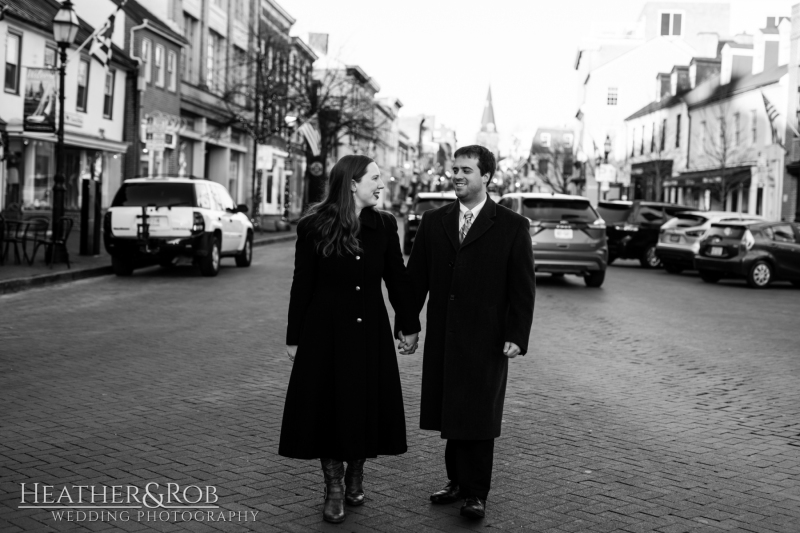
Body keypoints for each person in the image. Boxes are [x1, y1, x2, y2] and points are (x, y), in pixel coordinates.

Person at [279, 154, 420, 524]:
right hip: (324, 332)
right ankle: (335, 486)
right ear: (352, 183)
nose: (382, 185)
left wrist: (408, 324)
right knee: (327, 406)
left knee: (363, 403)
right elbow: (302, 283)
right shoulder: (313, 226)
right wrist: (295, 336)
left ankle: (356, 473)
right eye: (375, 178)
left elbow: (397, 278)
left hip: (369, 329)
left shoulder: (385, 224)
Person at [400, 145, 535, 519]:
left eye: (466, 171)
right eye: (454, 170)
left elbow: (522, 288)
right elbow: (416, 281)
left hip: (486, 339)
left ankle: (477, 492)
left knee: (478, 415)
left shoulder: (511, 225)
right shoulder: (434, 221)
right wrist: (409, 325)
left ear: (487, 176)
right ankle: (456, 483)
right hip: (445, 336)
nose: (457, 176)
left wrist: (516, 334)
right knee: (451, 412)